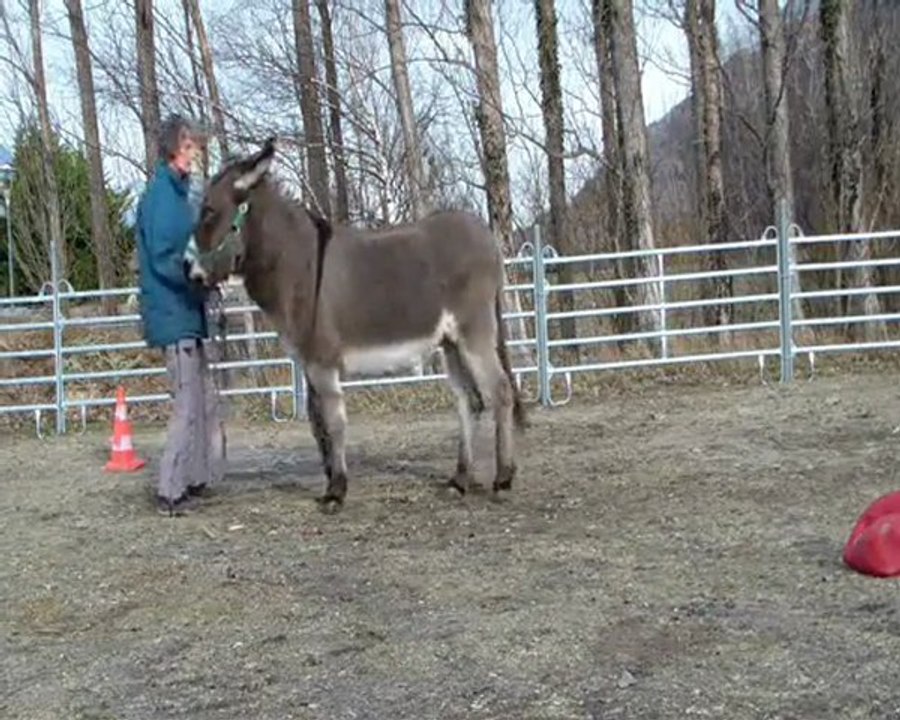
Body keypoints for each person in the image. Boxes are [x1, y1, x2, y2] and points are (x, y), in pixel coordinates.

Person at [135, 114, 226, 516]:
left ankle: (197, 477)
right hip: (173, 312)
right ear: (175, 148)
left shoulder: (181, 197)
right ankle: (169, 489)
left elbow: (191, 250)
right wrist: (196, 276)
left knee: (204, 400)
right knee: (187, 404)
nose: (195, 156)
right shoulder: (160, 198)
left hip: (190, 310)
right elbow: (162, 257)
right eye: (190, 148)